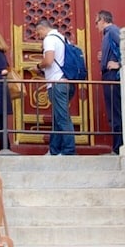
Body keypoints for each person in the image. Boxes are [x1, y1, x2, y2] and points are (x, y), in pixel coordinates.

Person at [34, 20, 75, 155]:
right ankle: (54, 150)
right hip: (67, 81)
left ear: (42, 28)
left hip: (57, 82)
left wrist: (39, 66)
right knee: (58, 118)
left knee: (62, 118)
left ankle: (69, 151)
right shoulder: (63, 39)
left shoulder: (49, 39)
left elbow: (49, 60)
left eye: (38, 32)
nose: (38, 36)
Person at [95, 10, 123, 151]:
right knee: (113, 112)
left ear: (102, 20)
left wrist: (120, 64)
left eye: (96, 22)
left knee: (115, 112)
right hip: (108, 75)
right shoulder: (108, 34)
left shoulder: (112, 31)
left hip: (113, 76)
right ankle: (117, 146)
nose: (96, 26)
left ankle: (118, 147)